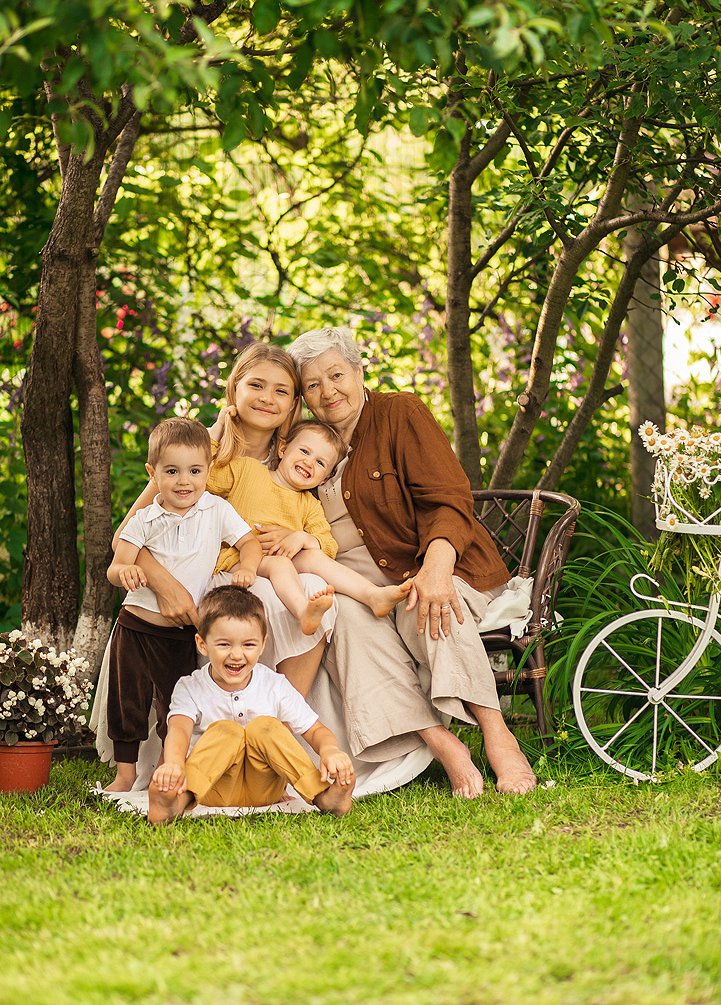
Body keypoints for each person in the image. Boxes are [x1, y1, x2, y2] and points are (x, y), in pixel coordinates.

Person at [285, 326, 537, 798]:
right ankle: (441, 742)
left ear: (359, 372)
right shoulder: (305, 443)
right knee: (343, 621)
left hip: (436, 563)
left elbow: (449, 501)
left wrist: (436, 569)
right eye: (313, 384)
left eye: (336, 375)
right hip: (358, 586)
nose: (328, 391)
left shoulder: (399, 413)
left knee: (430, 601)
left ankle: (497, 733)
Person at [104, 416, 262, 793]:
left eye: (194, 471)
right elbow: (115, 567)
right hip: (135, 626)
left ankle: (167, 769)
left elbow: (249, 542)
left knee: (174, 705)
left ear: (208, 469)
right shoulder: (145, 519)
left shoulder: (216, 510)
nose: (184, 481)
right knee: (127, 702)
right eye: (172, 471)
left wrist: (248, 566)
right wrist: (126, 571)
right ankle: (125, 775)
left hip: (178, 633)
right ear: (153, 473)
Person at [147, 586, 355, 823]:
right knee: (226, 730)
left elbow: (316, 730)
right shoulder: (190, 687)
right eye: (224, 644)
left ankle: (323, 797)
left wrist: (330, 751)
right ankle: (177, 801)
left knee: (265, 726)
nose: (237, 655)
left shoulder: (274, 685)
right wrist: (174, 764)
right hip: (213, 789)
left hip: (265, 789)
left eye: (248, 645)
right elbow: (179, 730)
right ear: (202, 644)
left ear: (263, 644)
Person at [212, 419, 414, 634]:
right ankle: (302, 610)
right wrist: (216, 431)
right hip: (237, 558)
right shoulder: (247, 469)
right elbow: (208, 476)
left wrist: (302, 537)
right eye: (304, 451)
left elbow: (328, 546)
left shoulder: (310, 504)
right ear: (282, 449)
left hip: (280, 559)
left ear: (325, 478)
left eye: (320, 463)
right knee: (280, 564)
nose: (309, 462)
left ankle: (372, 595)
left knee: (312, 557)